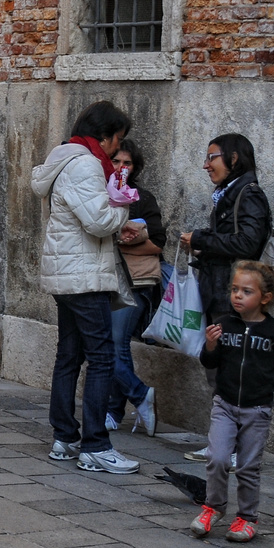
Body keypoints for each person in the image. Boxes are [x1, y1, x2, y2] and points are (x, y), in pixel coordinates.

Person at [30, 99, 139, 475]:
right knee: (102, 357)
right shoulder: (86, 164)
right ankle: (95, 444)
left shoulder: (67, 159)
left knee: (70, 354)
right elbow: (97, 220)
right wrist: (123, 209)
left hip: (69, 271)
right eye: (116, 140)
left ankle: (65, 437)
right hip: (83, 275)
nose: (116, 149)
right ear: (104, 136)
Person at [179, 133, 271, 465]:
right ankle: (222, 443)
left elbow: (247, 244)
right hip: (220, 295)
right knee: (219, 368)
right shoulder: (229, 194)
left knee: (233, 371)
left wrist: (202, 238)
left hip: (234, 299)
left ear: (234, 159)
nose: (206, 165)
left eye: (212, 157)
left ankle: (234, 448)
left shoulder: (249, 194)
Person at [191, 260, 274, 544]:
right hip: (224, 405)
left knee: (249, 466)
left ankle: (247, 518)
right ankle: (213, 507)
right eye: (234, 289)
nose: (237, 295)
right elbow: (208, 361)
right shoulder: (224, 324)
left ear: (265, 298)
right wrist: (211, 345)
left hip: (258, 409)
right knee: (217, 458)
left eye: (246, 291)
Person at [104, 141, 166, 437]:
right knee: (115, 345)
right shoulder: (99, 193)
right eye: (116, 161)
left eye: (126, 163)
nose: (120, 167)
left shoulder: (142, 199)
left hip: (135, 282)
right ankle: (118, 409)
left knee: (113, 343)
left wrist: (120, 244)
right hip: (104, 280)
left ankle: (136, 396)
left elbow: (157, 245)